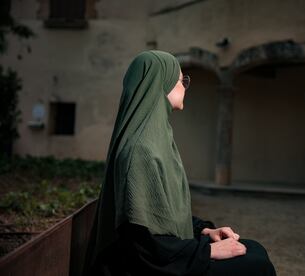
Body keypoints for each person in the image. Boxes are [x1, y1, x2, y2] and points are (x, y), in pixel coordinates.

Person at [82, 50, 277, 276]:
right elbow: (141, 242)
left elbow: (163, 216)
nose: (185, 86)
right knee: (255, 266)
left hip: (168, 253)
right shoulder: (140, 149)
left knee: (254, 250)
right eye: (181, 79)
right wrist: (206, 252)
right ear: (160, 83)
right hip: (149, 266)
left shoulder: (158, 139)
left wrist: (204, 231)